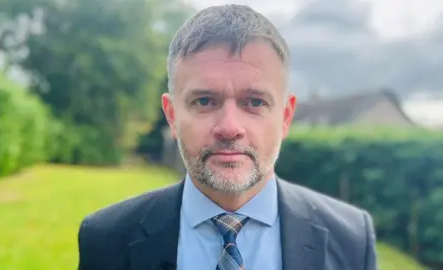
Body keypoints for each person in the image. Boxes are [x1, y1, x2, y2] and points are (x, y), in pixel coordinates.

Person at [77, 4, 378, 270]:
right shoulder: (106, 239)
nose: (230, 127)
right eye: (205, 101)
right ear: (172, 115)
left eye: (255, 102)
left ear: (286, 116)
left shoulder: (351, 238)